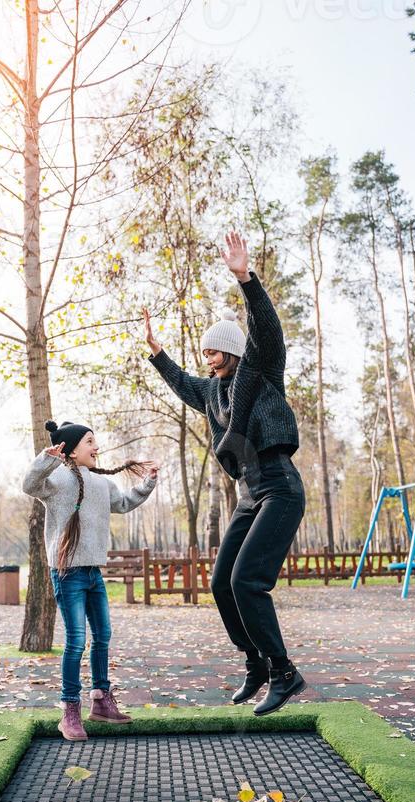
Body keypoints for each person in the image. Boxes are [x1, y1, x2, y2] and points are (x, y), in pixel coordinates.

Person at [142, 230, 306, 715]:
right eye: (204, 352)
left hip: (279, 487)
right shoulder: (212, 393)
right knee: (220, 583)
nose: (206, 357)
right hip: (248, 493)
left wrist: (246, 279)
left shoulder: (261, 374)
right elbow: (180, 382)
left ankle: (285, 672)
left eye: (214, 351)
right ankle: (255, 662)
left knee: (247, 581)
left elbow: (268, 333)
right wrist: (157, 352)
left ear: (233, 352)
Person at [22, 419, 159, 740]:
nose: (96, 448)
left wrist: (148, 483)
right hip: (67, 573)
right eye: (89, 442)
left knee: (103, 636)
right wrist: (47, 458)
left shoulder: (100, 483)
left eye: (95, 442)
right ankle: (70, 710)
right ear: (71, 449)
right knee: (76, 641)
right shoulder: (55, 479)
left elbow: (124, 503)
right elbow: (29, 485)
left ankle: (101, 700)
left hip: (94, 572)